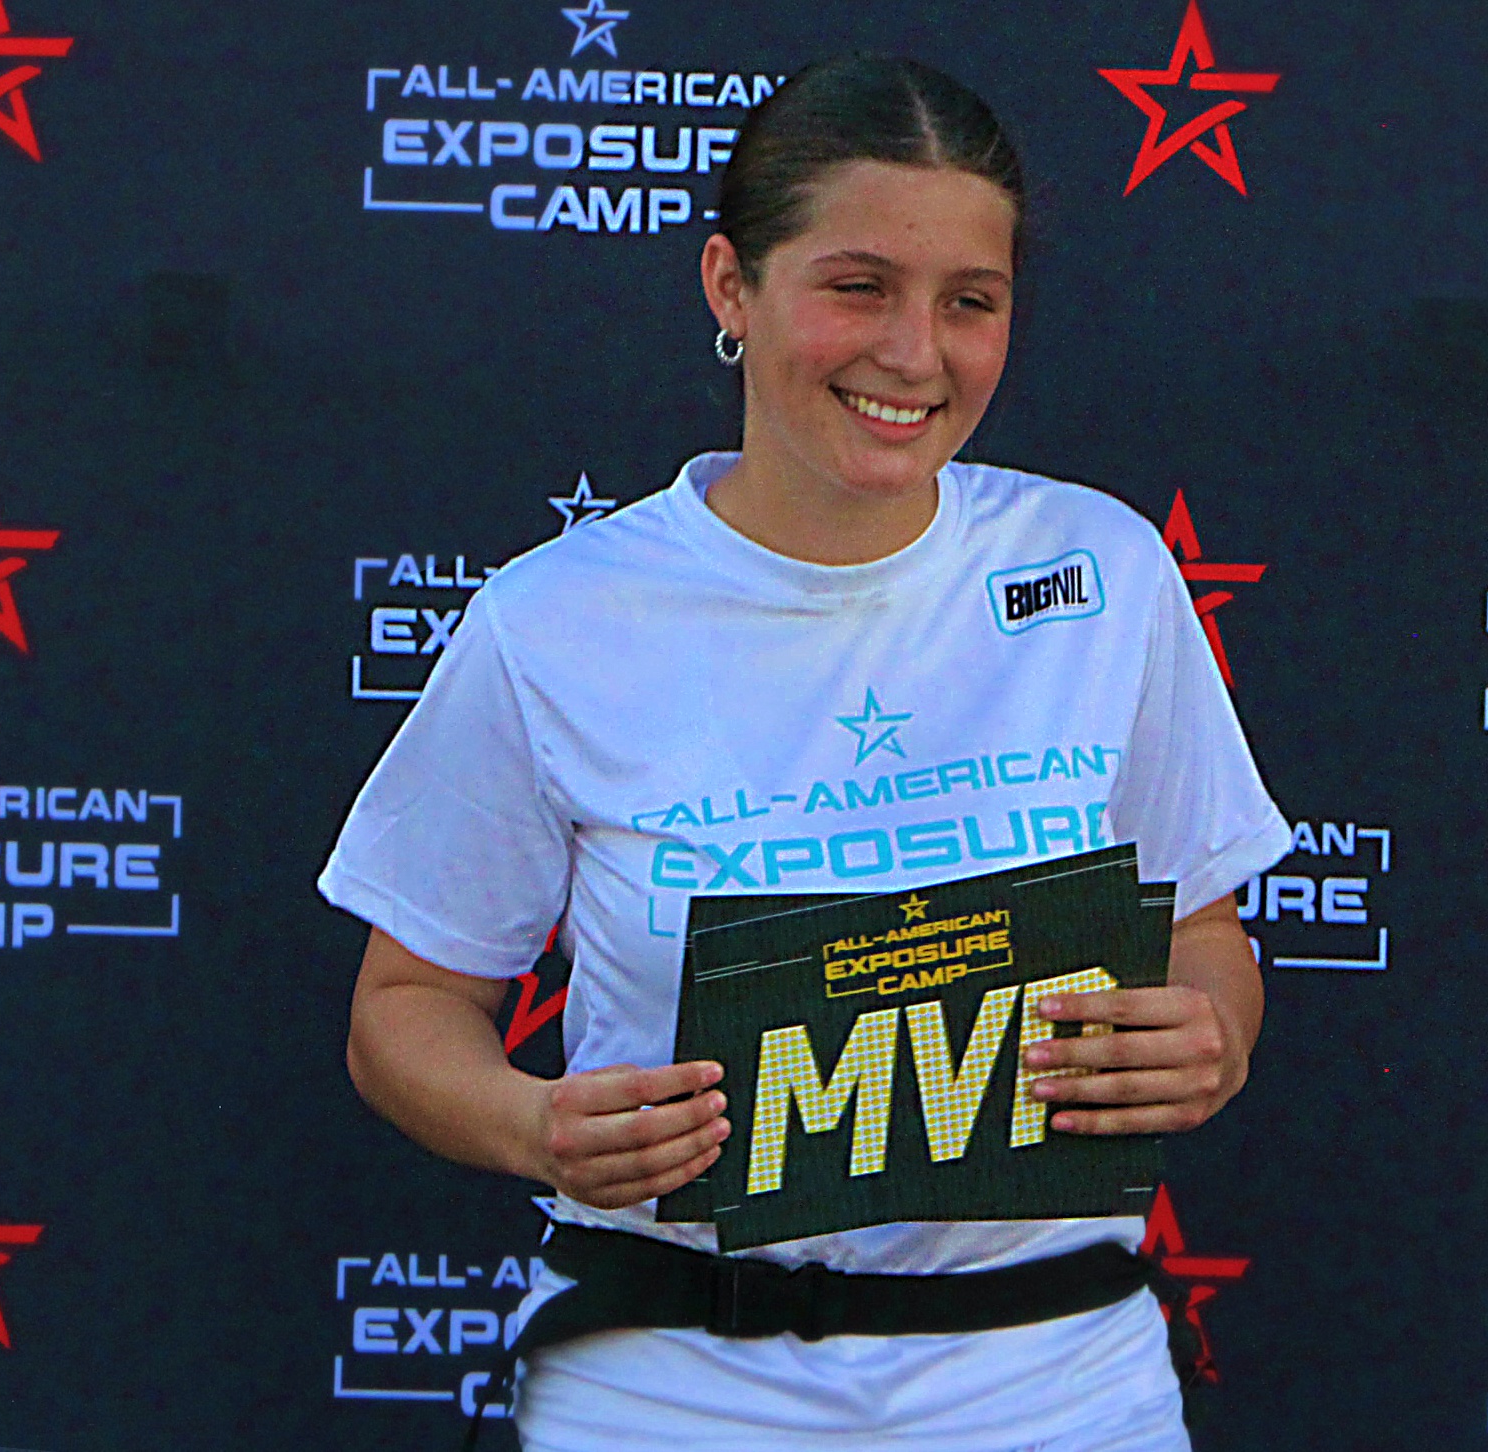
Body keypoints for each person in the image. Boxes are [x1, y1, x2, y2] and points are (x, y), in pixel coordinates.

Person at [319, 54, 1289, 1452]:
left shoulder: (1100, 570)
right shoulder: (555, 620)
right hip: (670, 1377)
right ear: (730, 286)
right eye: (857, 287)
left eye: (970, 302)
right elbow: (401, 1010)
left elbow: (1203, 933)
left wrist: (1208, 1040)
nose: (913, 353)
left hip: (1048, 1380)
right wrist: (537, 1128)